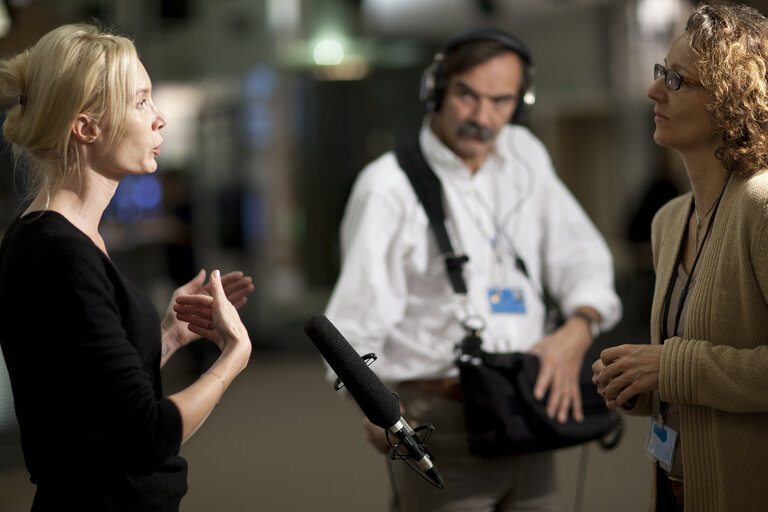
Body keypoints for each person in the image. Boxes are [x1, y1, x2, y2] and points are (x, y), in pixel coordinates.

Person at [325, 28, 621, 511]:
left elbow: (583, 258)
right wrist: (375, 409)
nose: (483, 118)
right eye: (467, 95)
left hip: (529, 410)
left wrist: (578, 328)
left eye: (501, 101)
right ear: (436, 90)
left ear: (519, 104)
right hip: (442, 420)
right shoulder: (388, 186)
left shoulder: (525, 155)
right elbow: (352, 325)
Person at [0, 24, 255, 511]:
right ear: (86, 127)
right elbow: (146, 435)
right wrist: (232, 360)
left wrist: (169, 336)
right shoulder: (60, 253)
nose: (159, 118)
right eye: (141, 102)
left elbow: (86, 396)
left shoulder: (56, 237)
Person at [592, 4, 768, 511]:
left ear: (733, 101)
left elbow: (683, 366)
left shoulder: (760, 207)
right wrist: (639, 383)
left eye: (676, 79)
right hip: (675, 486)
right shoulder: (669, 220)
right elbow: (686, 375)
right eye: (658, 72)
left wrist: (670, 366)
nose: (654, 91)